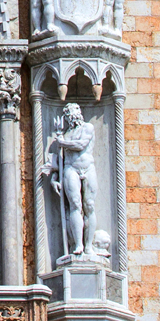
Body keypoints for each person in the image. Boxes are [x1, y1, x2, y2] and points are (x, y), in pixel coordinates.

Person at [43, 104, 99, 262]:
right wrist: (55, 178)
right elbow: (59, 161)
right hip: (70, 169)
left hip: (87, 168)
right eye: (66, 113)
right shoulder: (66, 134)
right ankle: (78, 245)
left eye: (71, 111)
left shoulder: (88, 127)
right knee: (75, 205)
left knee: (89, 206)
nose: (69, 115)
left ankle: (89, 246)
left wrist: (62, 142)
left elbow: (81, 145)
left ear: (78, 112)